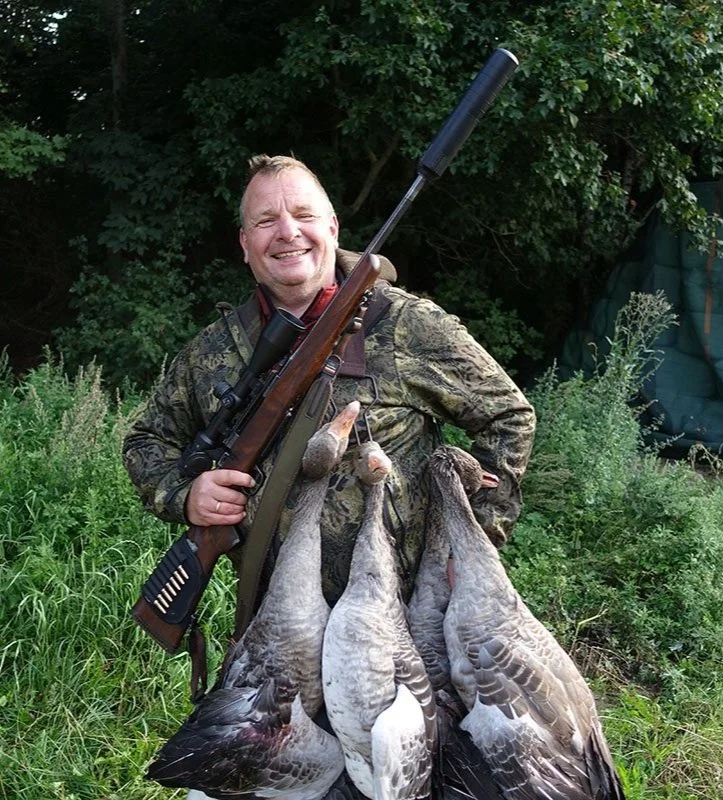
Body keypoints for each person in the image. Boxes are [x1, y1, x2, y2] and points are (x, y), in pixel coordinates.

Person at [122, 154, 536, 609]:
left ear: (333, 228)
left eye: (303, 215)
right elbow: (146, 441)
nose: (287, 232)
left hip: (402, 620)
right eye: (266, 221)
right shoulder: (213, 350)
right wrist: (185, 496)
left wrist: (472, 543)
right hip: (274, 626)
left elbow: (509, 416)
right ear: (244, 243)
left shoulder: (406, 324)